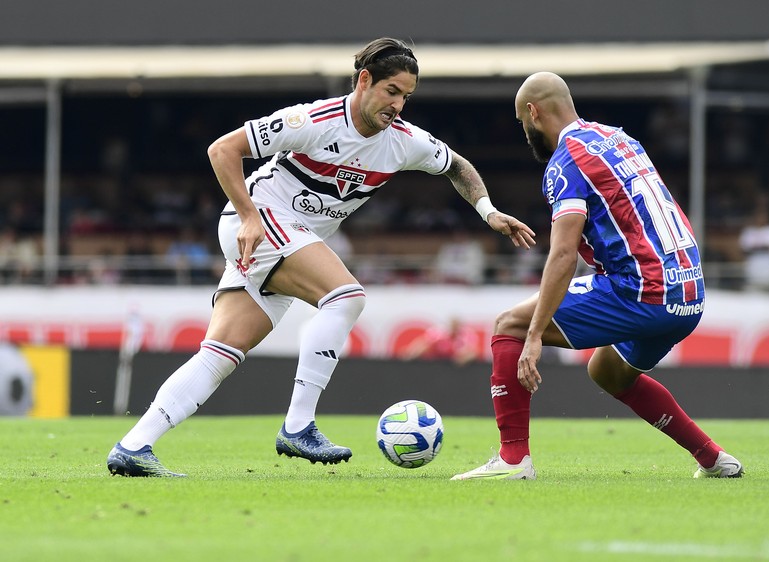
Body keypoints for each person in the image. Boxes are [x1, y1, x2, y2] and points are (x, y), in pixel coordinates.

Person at [107, 38, 536, 477]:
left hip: (285, 238)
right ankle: (298, 426)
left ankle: (134, 445)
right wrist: (250, 216)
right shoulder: (312, 120)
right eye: (392, 91)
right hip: (259, 221)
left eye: (407, 96)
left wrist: (489, 211)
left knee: (220, 353)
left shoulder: (404, 142)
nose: (399, 105)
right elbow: (222, 149)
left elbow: (458, 166)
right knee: (346, 296)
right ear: (364, 80)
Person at [451, 72, 743, 481]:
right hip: (689, 291)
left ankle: (513, 459)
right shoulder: (620, 139)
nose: (525, 131)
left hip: (643, 289)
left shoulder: (565, 162)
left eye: (522, 123)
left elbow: (564, 253)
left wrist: (534, 335)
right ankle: (713, 458)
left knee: (509, 327)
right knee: (607, 370)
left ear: (533, 113)